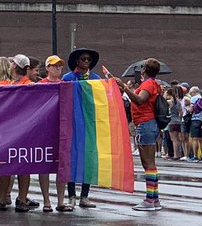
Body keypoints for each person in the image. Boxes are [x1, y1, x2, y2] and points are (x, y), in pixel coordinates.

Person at [108, 57, 161, 210]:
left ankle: (150, 200)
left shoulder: (148, 84)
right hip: (148, 124)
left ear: (144, 69)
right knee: (150, 165)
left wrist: (125, 87)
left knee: (148, 164)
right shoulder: (153, 83)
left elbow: (139, 100)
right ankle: (154, 199)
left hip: (145, 124)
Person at [61, 48, 102, 210]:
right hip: (71, 123)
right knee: (71, 158)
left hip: (89, 124)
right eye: (83, 59)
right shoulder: (68, 78)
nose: (86, 62)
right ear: (77, 61)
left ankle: (84, 196)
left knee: (89, 158)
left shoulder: (96, 79)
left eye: (88, 60)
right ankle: (71, 195)